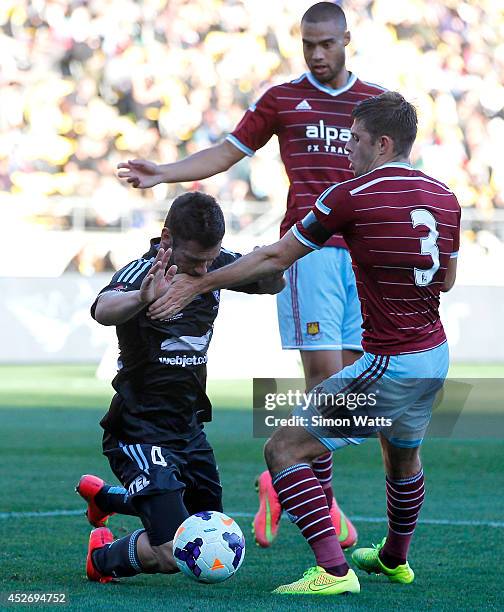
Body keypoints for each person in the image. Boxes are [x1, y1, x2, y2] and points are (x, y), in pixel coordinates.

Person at [145, 92, 461, 596]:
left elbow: (275, 258)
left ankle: (334, 572)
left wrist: (201, 283)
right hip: (435, 355)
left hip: (391, 363)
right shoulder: (445, 197)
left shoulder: (349, 195)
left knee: (283, 448)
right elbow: (444, 280)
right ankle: (396, 559)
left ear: (381, 143)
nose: (346, 149)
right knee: (403, 457)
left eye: (354, 139)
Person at [117, 1, 386, 550]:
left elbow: (393, 177)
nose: (317, 53)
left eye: (327, 43)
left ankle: (282, 479)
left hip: (364, 258)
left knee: (360, 395)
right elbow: (228, 152)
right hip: (307, 253)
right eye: (308, 43)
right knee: (324, 389)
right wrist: (165, 172)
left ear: (347, 39)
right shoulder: (282, 98)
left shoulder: (374, 104)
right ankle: (326, 518)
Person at [77, 191, 284, 583]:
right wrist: (141, 298)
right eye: (194, 261)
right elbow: (103, 309)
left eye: (211, 259)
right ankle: (102, 557)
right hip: (138, 429)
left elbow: (271, 284)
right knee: (178, 550)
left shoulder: (213, 263)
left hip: (188, 429)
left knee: (208, 524)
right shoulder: (144, 272)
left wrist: (270, 270)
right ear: (167, 238)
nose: (205, 269)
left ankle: (105, 498)